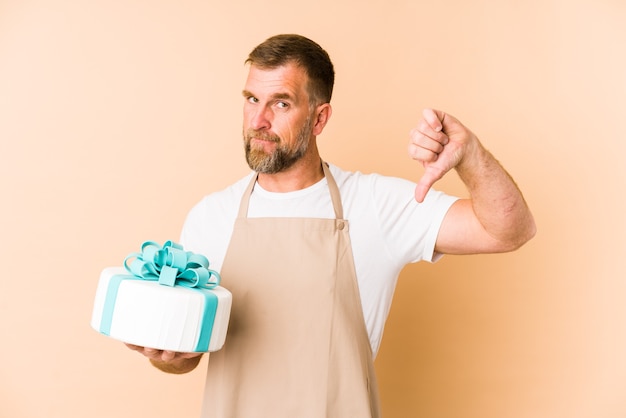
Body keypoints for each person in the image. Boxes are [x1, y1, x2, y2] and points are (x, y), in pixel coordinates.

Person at [126, 34, 536, 417]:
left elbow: (508, 230)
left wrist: (470, 155)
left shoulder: (375, 205)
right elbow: (188, 357)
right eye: (252, 99)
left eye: (281, 103)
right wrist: (167, 353)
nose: (259, 120)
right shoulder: (210, 215)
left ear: (319, 118)